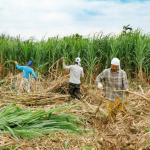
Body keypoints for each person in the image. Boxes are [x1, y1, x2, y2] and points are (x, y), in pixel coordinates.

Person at [96, 58, 128, 123]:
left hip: (121, 95)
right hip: (110, 96)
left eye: (115, 67)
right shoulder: (106, 72)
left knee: (124, 110)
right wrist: (98, 83)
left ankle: (126, 123)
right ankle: (111, 124)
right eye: (113, 66)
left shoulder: (122, 73)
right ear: (111, 65)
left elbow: (125, 83)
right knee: (111, 111)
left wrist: (126, 89)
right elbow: (98, 78)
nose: (114, 68)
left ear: (118, 66)